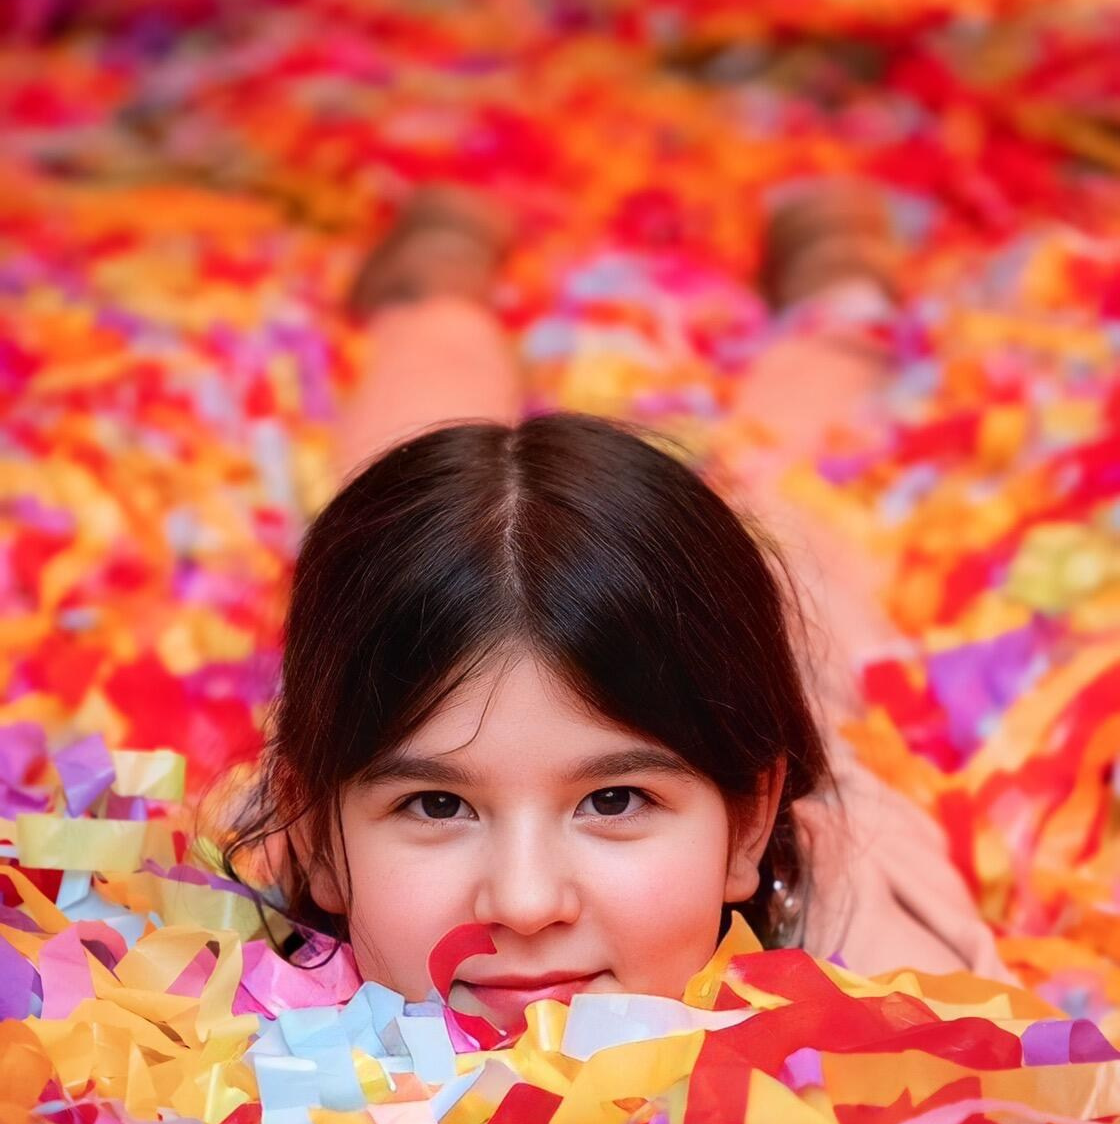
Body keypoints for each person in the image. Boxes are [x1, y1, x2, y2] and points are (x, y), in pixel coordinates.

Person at [226, 184, 1008, 1028]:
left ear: (747, 826)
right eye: (438, 805)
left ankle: (839, 284)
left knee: (785, 503)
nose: (526, 906)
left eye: (614, 800)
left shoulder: (883, 982)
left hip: (787, 690)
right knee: (405, 478)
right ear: (316, 839)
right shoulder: (241, 925)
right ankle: (431, 280)